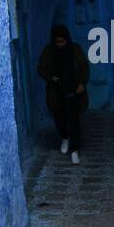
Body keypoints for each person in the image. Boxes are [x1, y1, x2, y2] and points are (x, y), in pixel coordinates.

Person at [37, 23, 90, 164]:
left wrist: (82, 84)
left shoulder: (75, 50)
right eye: (58, 42)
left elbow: (84, 67)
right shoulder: (48, 51)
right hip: (56, 92)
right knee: (60, 119)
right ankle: (65, 137)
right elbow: (41, 69)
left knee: (74, 121)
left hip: (73, 91)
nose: (61, 44)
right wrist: (51, 77)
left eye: (63, 41)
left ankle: (74, 150)